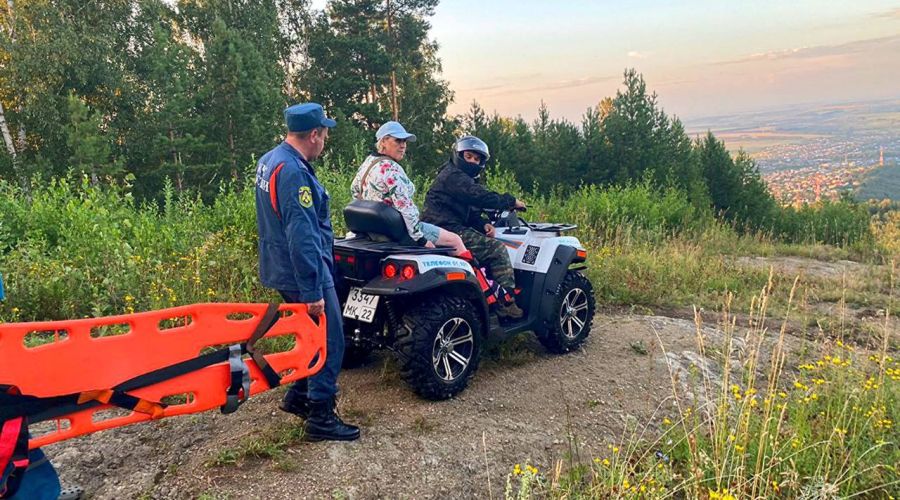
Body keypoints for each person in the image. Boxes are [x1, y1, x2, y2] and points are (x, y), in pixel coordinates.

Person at [254, 102, 359, 442]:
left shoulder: (270, 160)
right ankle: (321, 417)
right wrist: (313, 290)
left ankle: (298, 396)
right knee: (330, 340)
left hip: (280, 267)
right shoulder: (294, 172)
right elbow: (302, 236)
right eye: (324, 134)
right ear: (313, 135)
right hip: (302, 272)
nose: (325, 141)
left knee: (308, 334)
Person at [422, 135, 526, 320]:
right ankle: (506, 304)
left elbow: (464, 209)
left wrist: (481, 224)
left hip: (441, 226)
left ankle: (483, 295)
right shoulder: (454, 176)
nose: (472, 161)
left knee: (484, 245)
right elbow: (479, 196)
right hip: (446, 229)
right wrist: (511, 201)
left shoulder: (452, 176)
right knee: (497, 249)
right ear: (458, 155)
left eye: (476, 159)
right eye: (468, 156)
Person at [350, 121, 467, 255]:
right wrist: (421, 240)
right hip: (400, 230)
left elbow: (355, 191)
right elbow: (405, 207)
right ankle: (470, 274)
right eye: (398, 141)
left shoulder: (368, 163)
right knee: (455, 240)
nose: (403, 146)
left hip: (373, 231)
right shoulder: (390, 168)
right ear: (383, 142)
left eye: (404, 141)